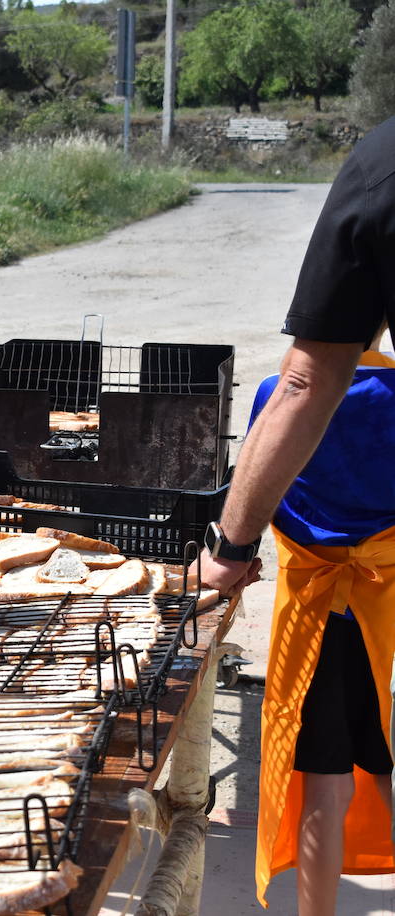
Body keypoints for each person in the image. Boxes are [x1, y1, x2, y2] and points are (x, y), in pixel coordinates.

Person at [200, 117, 395, 914]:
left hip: (316, 615)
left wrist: (230, 545)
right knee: (377, 750)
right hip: (379, 613)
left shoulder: (284, 398)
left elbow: (300, 399)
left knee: (320, 776)